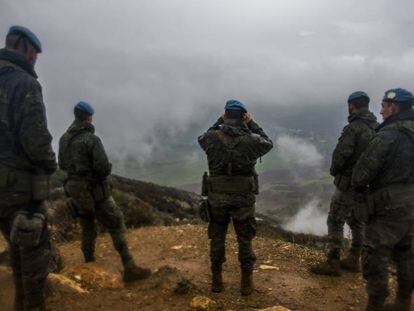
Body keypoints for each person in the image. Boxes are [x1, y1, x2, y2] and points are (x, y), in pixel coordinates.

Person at [58, 101, 151, 282]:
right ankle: (129, 267)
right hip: (96, 192)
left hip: (76, 192)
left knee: (87, 226)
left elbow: (61, 164)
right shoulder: (92, 140)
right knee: (115, 223)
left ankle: (89, 263)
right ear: (88, 117)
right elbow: (102, 167)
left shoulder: (63, 139)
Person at [0, 26, 57, 310]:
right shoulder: (23, 83)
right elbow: (35, 138)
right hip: (20, 190)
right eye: (34, 52)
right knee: (34, 264)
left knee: (16, 252)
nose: (35, 58)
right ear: (24, 48)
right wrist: (48, 165)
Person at [198, 99, 273, 295]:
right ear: (243, 116)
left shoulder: (212, 138)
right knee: (245, 240)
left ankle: (217, 282)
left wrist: (218, 120)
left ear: (225, 114)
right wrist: (251, 123)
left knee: (217, 238)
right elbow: (268, 142)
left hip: (217, 198)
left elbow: (202, 137)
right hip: (243, 199)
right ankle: (246, 283)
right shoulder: (252, 140)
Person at [352, 88, 414, 311]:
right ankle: (404, 302)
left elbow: (361, 174)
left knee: (376, 255)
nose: (380, 111)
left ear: (394, 107)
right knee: (406, 252)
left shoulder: (387, 135)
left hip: (388, 206)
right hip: (411, 206)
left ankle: (375, 305)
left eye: (384, 106)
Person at [311, 91, 378, 276]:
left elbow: (341, 155)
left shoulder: (353, 128)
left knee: (335, 220)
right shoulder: (377, 128)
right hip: (367, 185)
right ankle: (354, 259)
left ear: (351, 105)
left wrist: (334, 170)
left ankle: (332, 263)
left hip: (348, 183)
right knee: (357, 221)